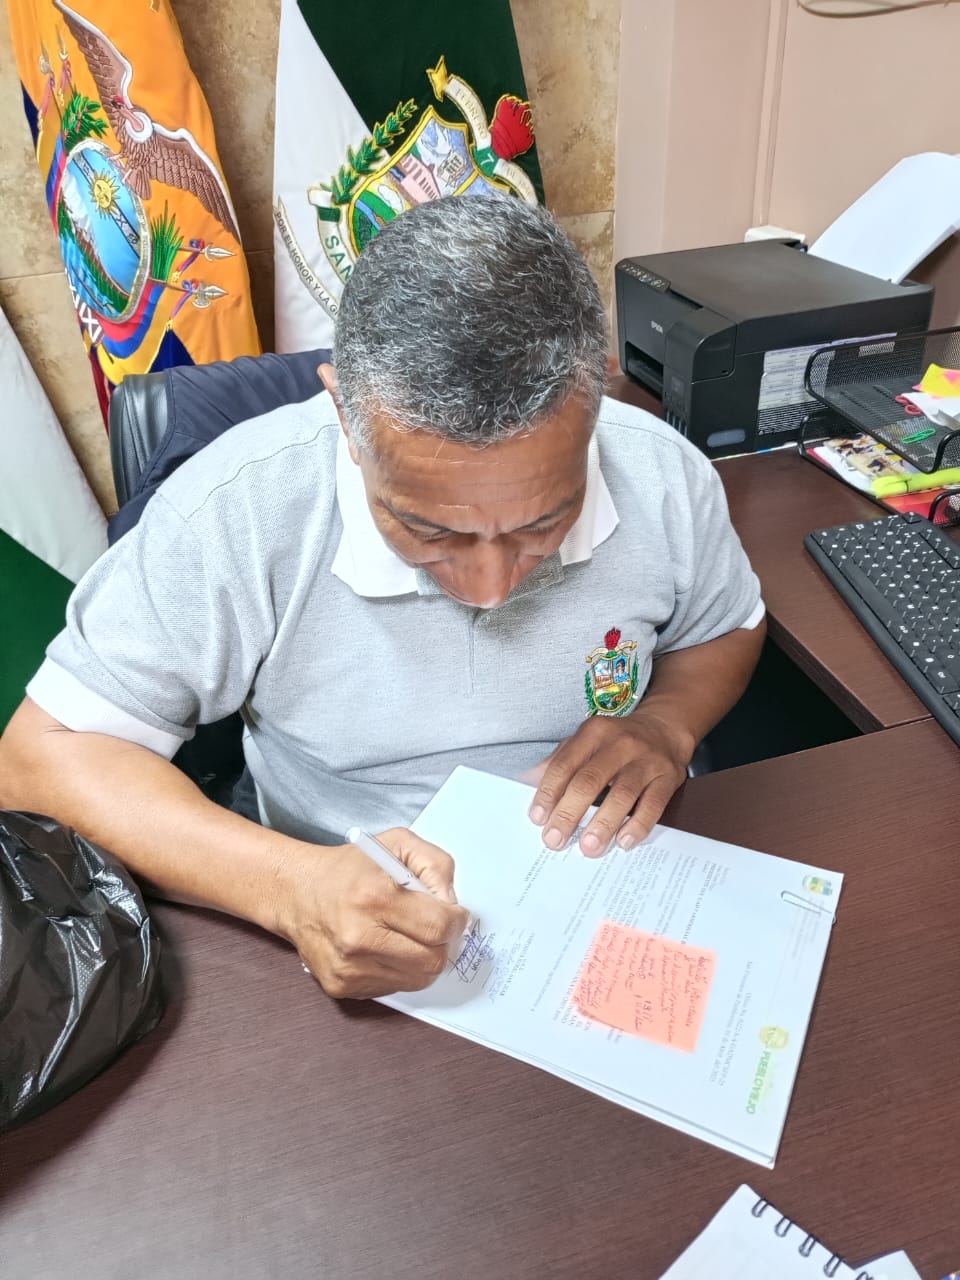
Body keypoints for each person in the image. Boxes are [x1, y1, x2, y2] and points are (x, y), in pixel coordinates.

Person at [0, 197, 765, 1000]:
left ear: (594, 404)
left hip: (610, 888)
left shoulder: (663, 476)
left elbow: (727, 625)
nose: (491, 587)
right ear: (344, 414)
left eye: (544, 523)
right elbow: (40, 758)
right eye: (430, 529)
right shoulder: (240, 510)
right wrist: (289, 886)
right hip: (332, 899)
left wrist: (666, 722)